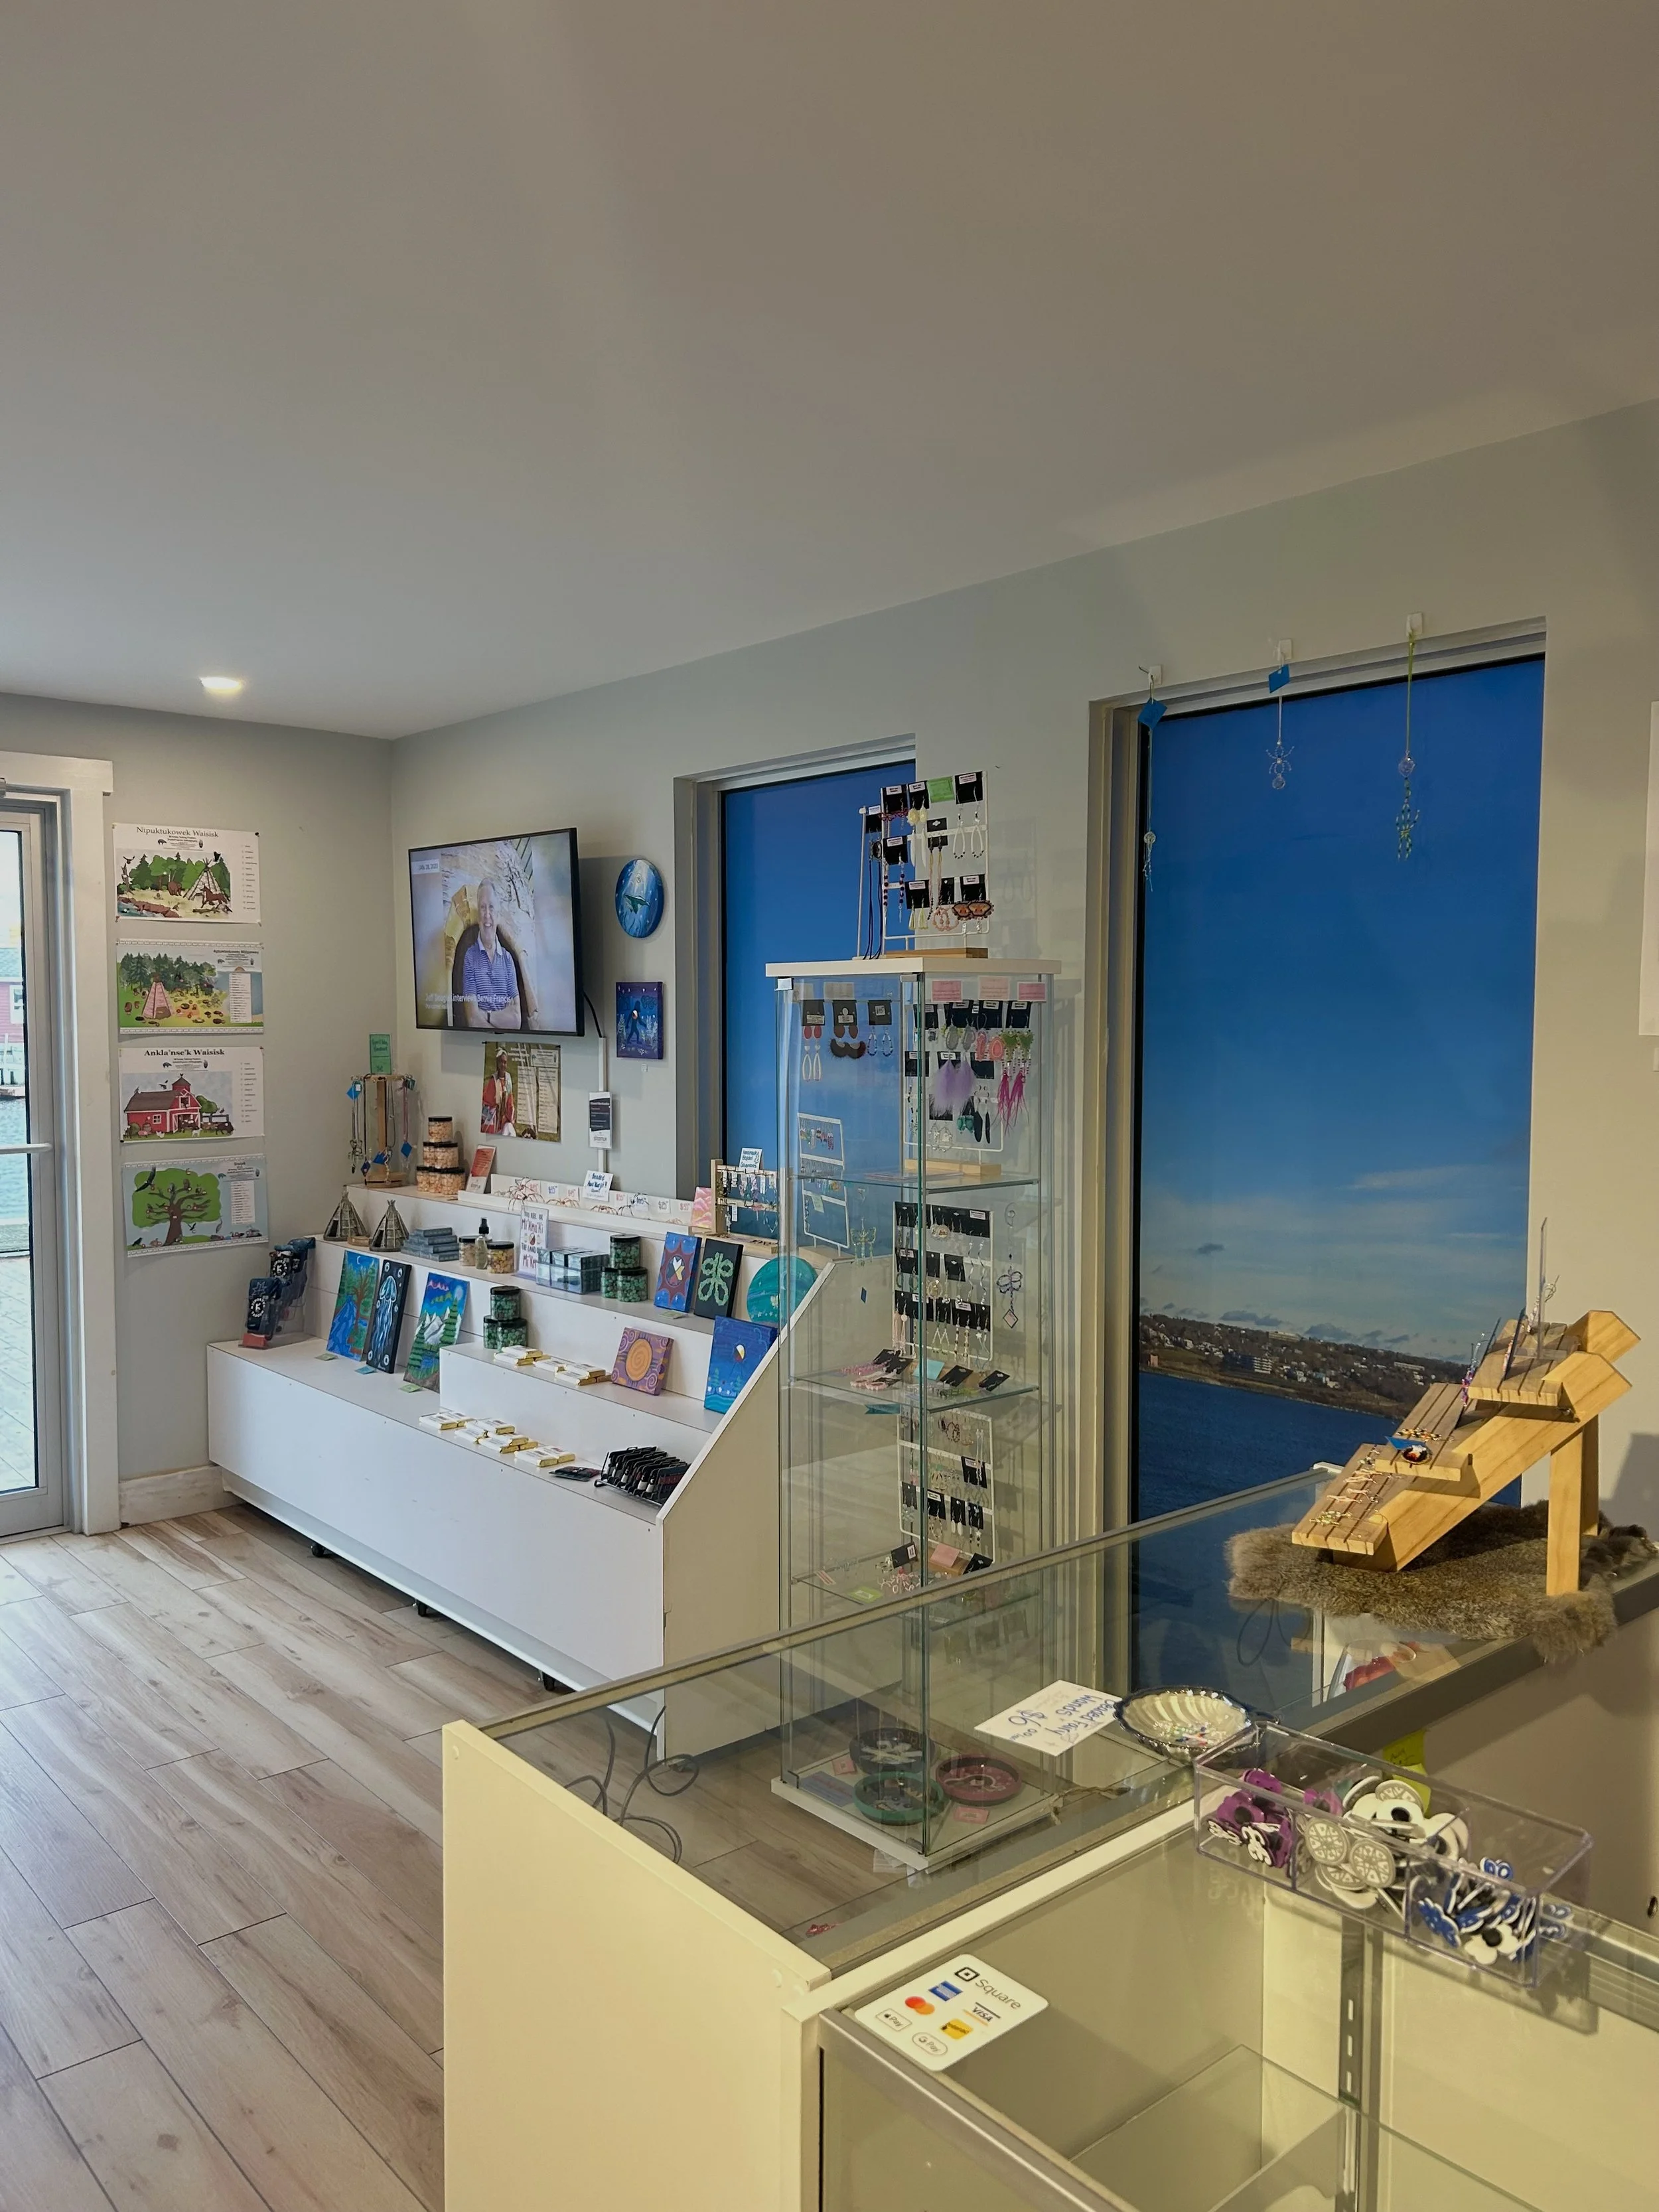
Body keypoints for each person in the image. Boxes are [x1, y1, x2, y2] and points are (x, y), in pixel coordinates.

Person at [459, 878, 523, 1029]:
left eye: (492, 908)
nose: (487, 914)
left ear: (498, 914)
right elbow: (473, 1020)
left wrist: (486, 1015)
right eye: (483, 907)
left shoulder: (508, 960)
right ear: (478, 913)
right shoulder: (469, 957)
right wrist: (502, 1017)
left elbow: (516, 1021)